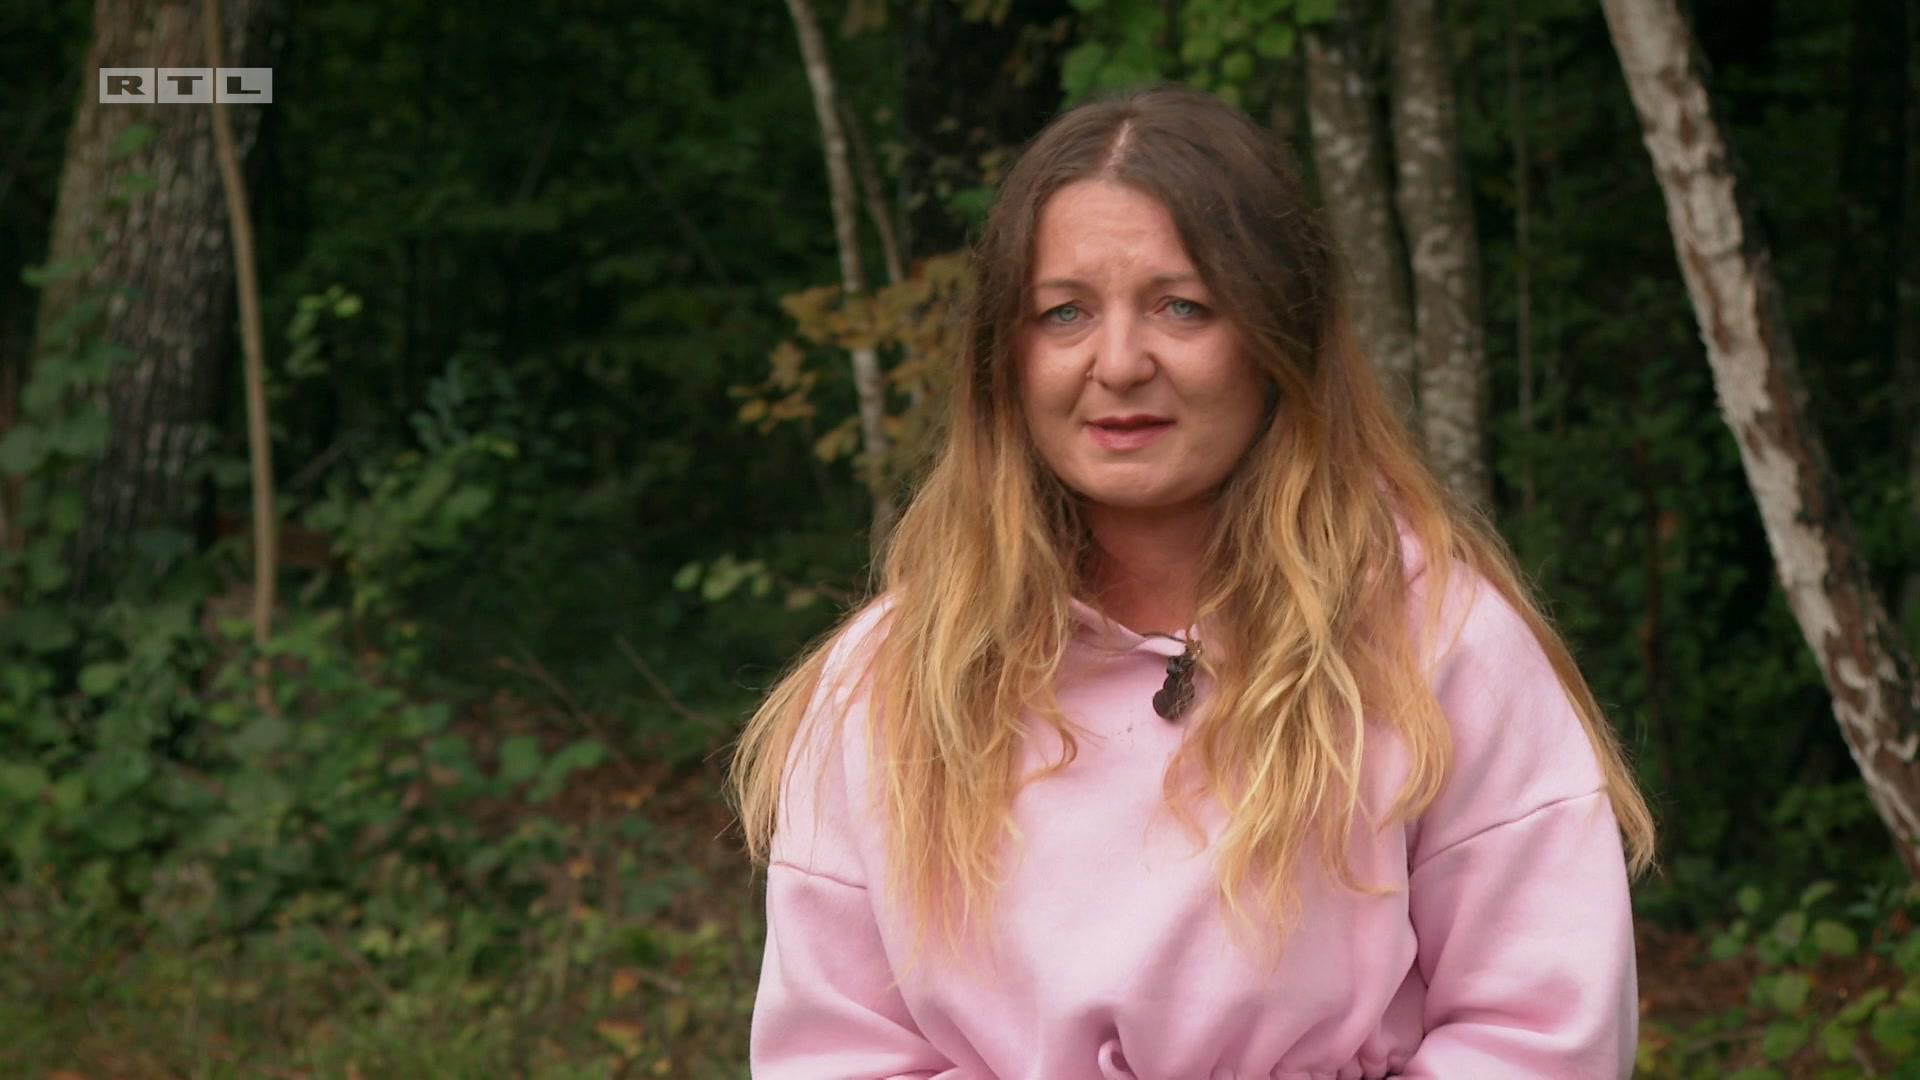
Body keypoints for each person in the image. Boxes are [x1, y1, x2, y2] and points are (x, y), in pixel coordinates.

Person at [728, 83, 1657, 1080]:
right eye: (1064, 312)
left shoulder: (1437, 648)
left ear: (1275, 335)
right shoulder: (892, 682)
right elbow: (833, 1055)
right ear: (1007, 357)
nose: (1120, 362)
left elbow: (1541, 1038)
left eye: (1182, 306)